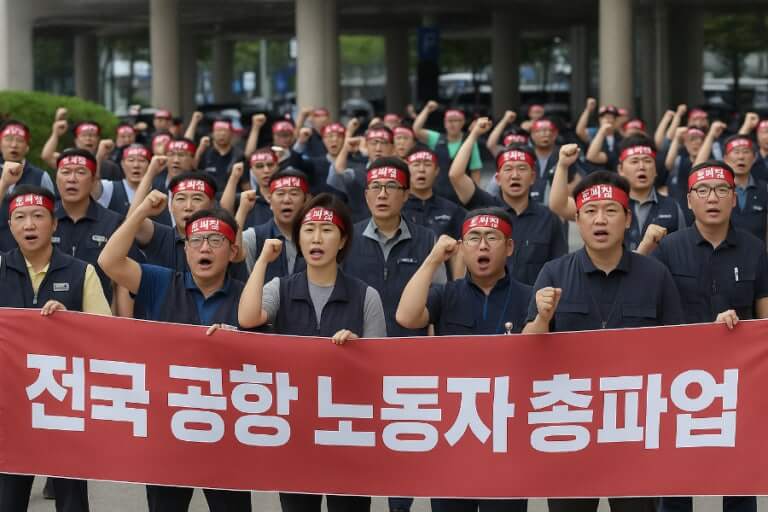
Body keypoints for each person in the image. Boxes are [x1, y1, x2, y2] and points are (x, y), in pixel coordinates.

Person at [523, 171, 683, 512]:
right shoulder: (552, 274)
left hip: (634, 430)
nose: (600, 219)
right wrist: (541, 320)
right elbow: (526, 349)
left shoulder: (656, 275)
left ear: (627, 219)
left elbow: (677, 349)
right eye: (590, 211)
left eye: (611, 211)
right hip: (570, 428)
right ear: (577, 220)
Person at [98, 198, 252, 512]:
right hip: (167, 433)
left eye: (215, 240)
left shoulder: (247, 298)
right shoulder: (161, 282)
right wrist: (141, 212)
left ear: (233, 251)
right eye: (195, 240)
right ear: (185, 249)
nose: (204, 248)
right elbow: (109, 261)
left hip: (227, 436)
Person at [238, 193, 385, 512]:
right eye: (308, 229)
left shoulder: (365, 297)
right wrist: (263, 261)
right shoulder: (281, 287)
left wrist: (358, 348)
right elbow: (248, 319)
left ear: (343, 239)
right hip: (296, 433)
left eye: (327, 230)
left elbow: (380, 372)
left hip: (348, 435)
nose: (317, 237)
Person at [641, 161, 767, 512]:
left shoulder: (755, 250)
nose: (713, 198)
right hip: (682, 382)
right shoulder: (668, 250)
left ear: (734, 200)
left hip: (738, 381)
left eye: (722, 190)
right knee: (678, 480)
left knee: (740, 479)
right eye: (703, 191)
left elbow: (764, 319)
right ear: (689, 200)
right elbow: (648, 310)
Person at [0, 185, 110, 512]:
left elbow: (106, 336)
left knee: (72, 501)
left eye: (38, 216)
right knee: (8, 499)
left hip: (64, 406)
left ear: (55, 223)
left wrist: (70, 323)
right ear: (10, 226)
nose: (29, 225)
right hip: (10, 407)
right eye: (20, 218)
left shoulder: (81, 272)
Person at [449, 118, 567, 285]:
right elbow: (456, 175)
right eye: (508, 169)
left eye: (522, 168)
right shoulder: (485, 208)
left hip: (534, 306)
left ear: (533, 177)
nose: (515, 175)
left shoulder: (549, 218)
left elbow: (560, 269)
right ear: (497, 178)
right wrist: (474, 134)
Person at [343, 157, 444, 337]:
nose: (382, 194)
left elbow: (439, 298)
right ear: (366, 195)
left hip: (410, 348)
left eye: (391, 186)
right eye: (375, 187)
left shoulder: (427, 239)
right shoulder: (346, 239)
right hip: (358, 346)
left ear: (406, 194)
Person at [549, 137, 686, 252]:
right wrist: (562, 166)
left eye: (647, 160)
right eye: (634, 161)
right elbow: (559, 206)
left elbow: (682, 251)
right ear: (620, 169)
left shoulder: (672, 207)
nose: (641, 166)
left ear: (655, 170)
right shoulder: (606, 201)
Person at [402, 148, 465, 278]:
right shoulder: (397, 208)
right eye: (416, 164)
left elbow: (460, 252)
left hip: (441, 286)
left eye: (427, 164)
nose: (421, 169)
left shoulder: (452, 210)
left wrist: (457, 289)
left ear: (436, 171)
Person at [238, 169, 310, 277]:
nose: (286, 200)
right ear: (270, 200)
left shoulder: (315, 238)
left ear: (305, 200)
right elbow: (233, 251)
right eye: (280, 193)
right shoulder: (254, 236)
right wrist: (242, 210)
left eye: (294, 193)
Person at [412, 101, 482, 203]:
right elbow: (416, 130)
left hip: (462, 197)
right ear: (444, 123)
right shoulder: (436, 138)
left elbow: (475, 171)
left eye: (456, 120)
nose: (452, 124)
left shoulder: (470, 141)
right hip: (438, 195)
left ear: (463, 122)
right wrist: (427, 109)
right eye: (449, 121)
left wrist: (477, 197)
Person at [328, 124, 396, 222]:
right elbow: (335, 177)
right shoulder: (356, 173)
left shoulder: (400, 175)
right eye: (373, 143)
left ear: (393, 148)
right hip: (360, 230)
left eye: (384, 143)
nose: (378, 148)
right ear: (366, 146)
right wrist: (345, 149)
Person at [93, 144, 153, 216]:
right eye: (131, 160)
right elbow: (92, 186)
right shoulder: (110, 188)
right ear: (122, 164)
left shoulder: (159, 192)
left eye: (141, 160)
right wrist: (99, 156)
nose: (136, 165)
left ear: (150, 165)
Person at [198, 119, 244, 193]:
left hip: (233, 197)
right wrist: (200, 148)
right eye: (218, 130)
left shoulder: (239, 155)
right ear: (212, 133)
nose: (222, 134)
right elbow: (192, 167)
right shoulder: (205, 154)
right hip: (209, 196)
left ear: (232, 134)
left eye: (225, 131)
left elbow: (245, 183)